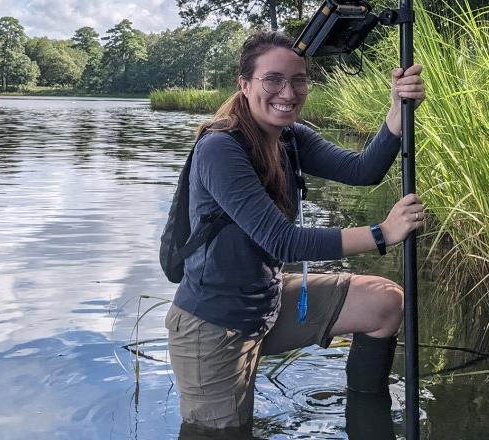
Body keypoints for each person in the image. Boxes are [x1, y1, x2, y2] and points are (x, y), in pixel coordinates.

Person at [165, 31, 426, 435]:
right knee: (225, 433)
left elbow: (363, 171)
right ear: (246, 84)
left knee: (385, 303)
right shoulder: (220, 148)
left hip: (267, 303)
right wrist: (381, 233)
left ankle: (369, 416)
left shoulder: (291, 138)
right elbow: (282, 241)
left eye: (299, 80)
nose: (288, 91)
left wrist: (396, 112)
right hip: (213, 326)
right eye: (273, 79)